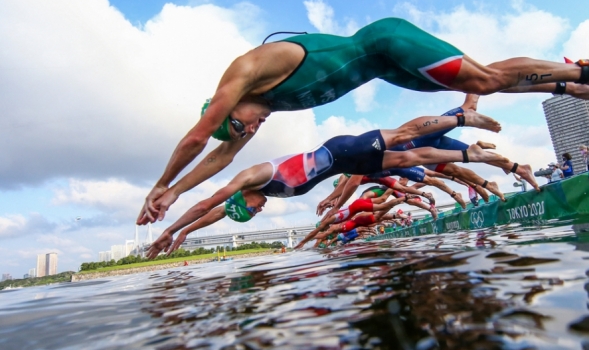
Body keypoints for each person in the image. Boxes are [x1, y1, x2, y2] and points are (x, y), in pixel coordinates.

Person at [138, 17, 589, 225]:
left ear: (227, 108)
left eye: (243, 125)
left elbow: (201, 138)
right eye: (247, 132)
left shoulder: (246, 72)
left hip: (386, 42)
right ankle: (580, 86)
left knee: (481, 80)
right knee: (481, 90)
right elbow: (219, 156)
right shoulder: (264, 109)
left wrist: (163, 183)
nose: (253, 130)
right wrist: (175, 195)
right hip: (388, 70)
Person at [145, 112, 514, 258]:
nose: (259, 210)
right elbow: (213, 214)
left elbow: (208, 200)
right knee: (413, 161)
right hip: (352, 164)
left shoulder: (252, 177)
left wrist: (175, 222)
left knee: (403, 137)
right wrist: (180, 235)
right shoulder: (261, 193)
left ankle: (463, 117)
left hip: (341, 149)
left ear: (247, 197)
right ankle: (474, 154)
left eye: (252, 209)